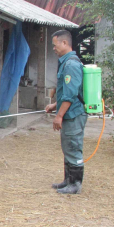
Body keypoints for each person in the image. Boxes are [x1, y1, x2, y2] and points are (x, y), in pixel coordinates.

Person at [44, 30, 87, 194]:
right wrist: (55, 105)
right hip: (70, 112)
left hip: (73, 114)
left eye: (55, 45)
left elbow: (71, 95)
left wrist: (59, 116)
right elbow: (66, 93)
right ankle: (68, 181)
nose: (53, 48)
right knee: (68, 147)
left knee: (73, 147)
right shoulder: (66, 62)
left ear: (64, 43)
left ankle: (75, 184)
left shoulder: (71, 65)